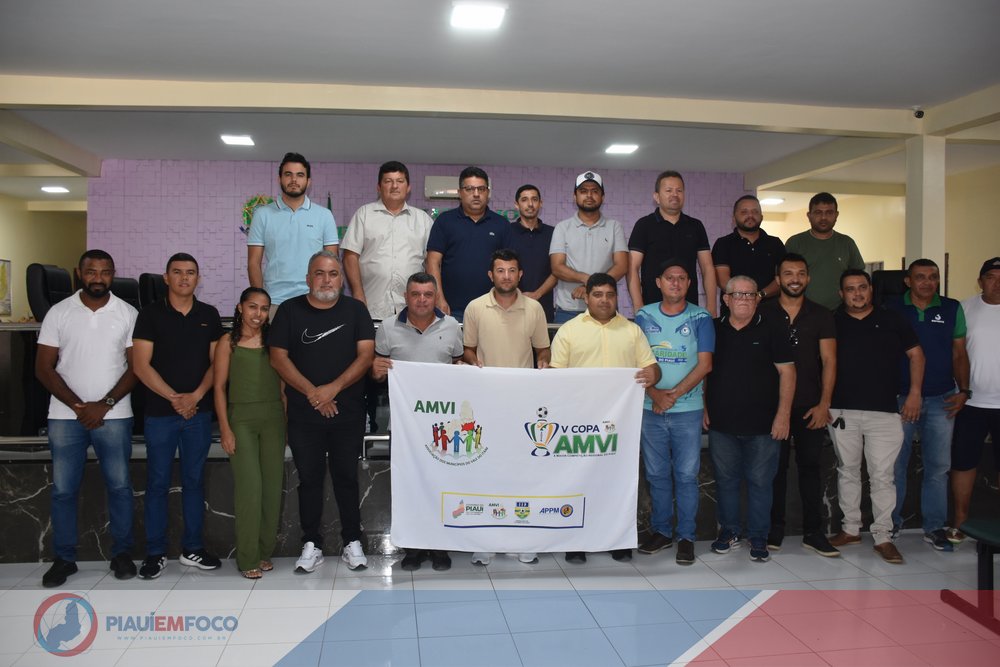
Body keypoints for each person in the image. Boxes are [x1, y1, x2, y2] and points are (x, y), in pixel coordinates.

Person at [36, 249, 139, 587]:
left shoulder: (127, 313)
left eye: (105, 272)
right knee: (63, 490)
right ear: (79, 273)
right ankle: (64, 559)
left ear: (113, 274)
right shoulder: (59, 312)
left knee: (120, 487)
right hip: (65, 417)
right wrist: (79, 405)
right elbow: (43, 368)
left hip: (115, 415)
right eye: (91, 271)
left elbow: (136, 367)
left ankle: (122, 554)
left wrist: (104, 404)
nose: (98, 278)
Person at [269, 250, 375, 573]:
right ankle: (311, 544)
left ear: (342, 280)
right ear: (308, 278)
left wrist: (332, 389)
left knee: (346, 478)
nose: (326, 280)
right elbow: (278, 358)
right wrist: (314, 394)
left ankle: (352, 541)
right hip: (304, 414)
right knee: (310, 479)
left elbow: (366, 356)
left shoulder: (356, 310)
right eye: (319, 273)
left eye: (332, 274)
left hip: (348, 413)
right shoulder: (289, 311)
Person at [549, 273, 660, 563]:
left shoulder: (632, 331)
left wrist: (653, 374)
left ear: (617, 297)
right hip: (579, 423)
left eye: (610, 295)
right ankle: (576, 542)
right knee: (578, 481)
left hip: (620, 424)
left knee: (617, 483)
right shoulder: (569, 331)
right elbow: (556, 377)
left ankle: (618, 541)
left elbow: (652, 368)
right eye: (597, 294)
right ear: (586, 297)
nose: (604, 300)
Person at [133, 253, 224, 579]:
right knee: (157, 483)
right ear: (166, 277)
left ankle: (192, 549)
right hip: (161, 414)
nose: (185, 278)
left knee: (194, 482)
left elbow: (218, 364)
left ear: (198, 278)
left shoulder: (209, 314)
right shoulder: (149, 314)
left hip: (198, 414)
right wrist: (175, 398)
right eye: (178, 272)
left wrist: (195, 396)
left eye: (191, 273)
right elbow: (140, 365)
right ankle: (155, 553)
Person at [828, 269, 923, 564]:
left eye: (862, 287)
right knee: (847, 471)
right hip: (841, 410)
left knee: (882, 476)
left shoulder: (893, 319)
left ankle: (883, 536)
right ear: (841, 294)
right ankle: (850, 529)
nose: (857, 293)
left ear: (871, 290)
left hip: (884, 411)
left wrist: (915, 393)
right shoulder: (831, 321)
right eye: (850, 289)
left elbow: (917, 355)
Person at [462, 248, 551, 566]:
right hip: (485, 403)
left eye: (512, 270)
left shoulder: (534, 308)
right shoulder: (475, 308)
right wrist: (474, 361)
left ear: (520, 274)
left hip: (523, 404)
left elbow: (543, 350)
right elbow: (467, 349)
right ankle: (485, 540)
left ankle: (522, 537)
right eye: (500, 270)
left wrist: (543, 363)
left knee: (521, 472)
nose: (506, 276)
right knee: (485, 471)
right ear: (491, 275)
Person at [372, 272, 464, 571]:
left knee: (442, 484)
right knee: (407, 485)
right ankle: (412, 548)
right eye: (415, 294)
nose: (422, 300)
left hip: (443, 425)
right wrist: (376, 371)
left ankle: (439, 546)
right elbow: (377, 374)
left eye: (427, 294)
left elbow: (458, 365)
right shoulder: (388, 328)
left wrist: (464, 369)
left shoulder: (451, 326)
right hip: (403, 424)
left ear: (435, 296)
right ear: (406, 297)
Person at [705, 276, 795, 564]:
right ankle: (730, 531)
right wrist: (704, 406)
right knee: (726, 481)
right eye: (738, 294)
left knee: (761, 482)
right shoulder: (712, 329)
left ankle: (758, 536)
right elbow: (704, 370)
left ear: (758, 299)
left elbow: (788, 373)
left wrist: (783, 415)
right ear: (726, 299)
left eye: (750, 294)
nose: (744, 299)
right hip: (722, 423)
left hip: (764, 425)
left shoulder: (774, 328)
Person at [634, 259, 714, 566]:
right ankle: (662, 532)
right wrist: (655, 394)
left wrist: (673, 396)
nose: (676, 283)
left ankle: (687, 537)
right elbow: (634, 361)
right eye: (670, 278)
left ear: (689, 283)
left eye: (682, 278)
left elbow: (705, 365)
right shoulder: (644, 316)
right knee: (656, 474)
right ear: (659, 282)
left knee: (686, 475)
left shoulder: (701, 317)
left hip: (687, 411)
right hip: (649, 408)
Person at [759, 254, 840, 557]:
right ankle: (774, 529)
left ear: (808, 278)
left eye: (801, 273)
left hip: (809, 406)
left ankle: (813, 532)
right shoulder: (762, 312)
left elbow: (830, 361)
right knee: (774, 470)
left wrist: (824, 404)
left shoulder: (821, 314)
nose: (795, 278)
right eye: (788, 273)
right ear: (777, 279)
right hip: (771, 407)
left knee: (811, 469)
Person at [887, 259, 969, 551]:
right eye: (920, 277)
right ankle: (891, 524)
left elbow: (959, 353)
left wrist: (964, 391)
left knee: (938, 467)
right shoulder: (891, 308)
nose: (927, 282)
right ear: (908, 281)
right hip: (899, 397)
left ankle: (934, 527)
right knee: (895, 466)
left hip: (942, 398)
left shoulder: (951, 308)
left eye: (933, 277)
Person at [212, 287, 285, 579]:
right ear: (240, 307)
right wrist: (225, 429)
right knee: (249, 489)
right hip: (240, 420)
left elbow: (283, 386)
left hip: (273, 419)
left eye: (264, 308)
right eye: (253, 306)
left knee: (272, 489)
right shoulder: (227, 342)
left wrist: (286, 419)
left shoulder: (274, 341)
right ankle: (247, 557)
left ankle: (265, 552)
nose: (258, 314)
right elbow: (219, 388)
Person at [948, 257, 1000, 544]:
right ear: (980, 281)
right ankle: (960, 523)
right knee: (964, 463)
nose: (997, 283)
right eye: (991, 277)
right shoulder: (964, 309)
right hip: (971, 403)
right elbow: (956, 353)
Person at [341, 160, 434, 321]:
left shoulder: (423, 220)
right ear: (379, 187)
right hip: (371, 306)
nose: (394, 186)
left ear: (408, 187)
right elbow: (350, 257)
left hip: (413, 309)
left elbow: (432, 261)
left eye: (400, 181)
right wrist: (358, 294)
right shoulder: (364, 214)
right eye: (388, 181)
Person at [247, 152, 339, 310]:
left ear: (308, 181)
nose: (294, 180)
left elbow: (332, 264)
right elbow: (253, 263)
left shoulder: (325, 215)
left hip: (314, 300)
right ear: (279, 179)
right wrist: (261, 303)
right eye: (288, 174)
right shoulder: (262, 214)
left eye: (300, 175)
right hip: (275, 301)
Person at [425, 166, 510, 321]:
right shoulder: (444, 221)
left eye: (481, 189)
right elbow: (432, 262)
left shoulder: (501, 224)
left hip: (492, 308)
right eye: (469, 189)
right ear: (460, 193)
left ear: (487, 192)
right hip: (451, 309)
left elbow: (508, 267)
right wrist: (439, 298)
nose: (476, 194)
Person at [628, 171, 717, 316]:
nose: (674, 194)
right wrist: (639, 306)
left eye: (679, 191)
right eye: (668, 190)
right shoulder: (644, 225)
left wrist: (711, 307)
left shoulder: (696, 226)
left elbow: (707, 267)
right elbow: (632, 267)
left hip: (689, 309)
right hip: (652, 309)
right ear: (657, 196)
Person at [550, 171, 628, 323]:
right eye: (583, 191)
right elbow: (557, 267)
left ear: (602, 197)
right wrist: (589, 281)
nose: (589, 196)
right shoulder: (562, 227)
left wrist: (591, 287)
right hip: (568, 309)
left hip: (605, 308)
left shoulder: (614, 227)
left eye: (595, 191)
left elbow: (622, 266)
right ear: (575, 196)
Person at [784, 192, 864, 310]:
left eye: (829, 213)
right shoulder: (795, 243)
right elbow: (784, 279)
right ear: (809, 215)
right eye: (818, 212)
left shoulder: (847, 243)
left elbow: (858, 279)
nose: (823, 218)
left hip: (840, 312)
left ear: (836, 215)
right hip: (803, 312)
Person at [712, 195, 785, 313]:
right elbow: (722, 279)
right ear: (734, 218)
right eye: (744, 212)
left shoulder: (775, 244)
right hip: (733, 313)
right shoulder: (723, 244)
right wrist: (746, 298)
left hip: (770, 313)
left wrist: (760, 295)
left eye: (755, 212)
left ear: (761, 217)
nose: (750, 216)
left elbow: (783, 278)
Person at [507, 184, 557, 321]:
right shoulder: (506, 232)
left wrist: (537, 294)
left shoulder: (553, 233)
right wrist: (517, 295)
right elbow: (500, 270)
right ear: (516, 205)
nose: (530, 204)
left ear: (541, 203)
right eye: (524, 200)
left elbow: (558, 270)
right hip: (510, 307)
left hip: (544, 309)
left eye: (534, 199)